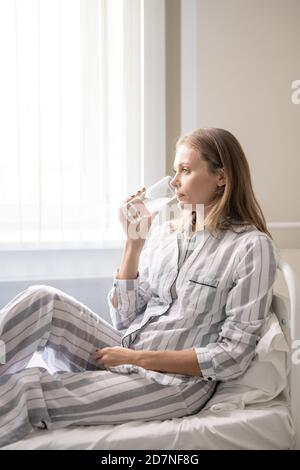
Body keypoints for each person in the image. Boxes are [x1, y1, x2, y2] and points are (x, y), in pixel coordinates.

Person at [0, 127, 278, 447]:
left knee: (26, 389)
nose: (174, 182)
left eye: (185, 171)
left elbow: (233, 356)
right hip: (128, 352)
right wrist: (133, 244)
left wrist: (137, 359)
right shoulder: (166, 235)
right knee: (42, 300)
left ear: (222, 177)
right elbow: (125, 320)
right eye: (175, 171)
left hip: (175, 385)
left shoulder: (251, 248)